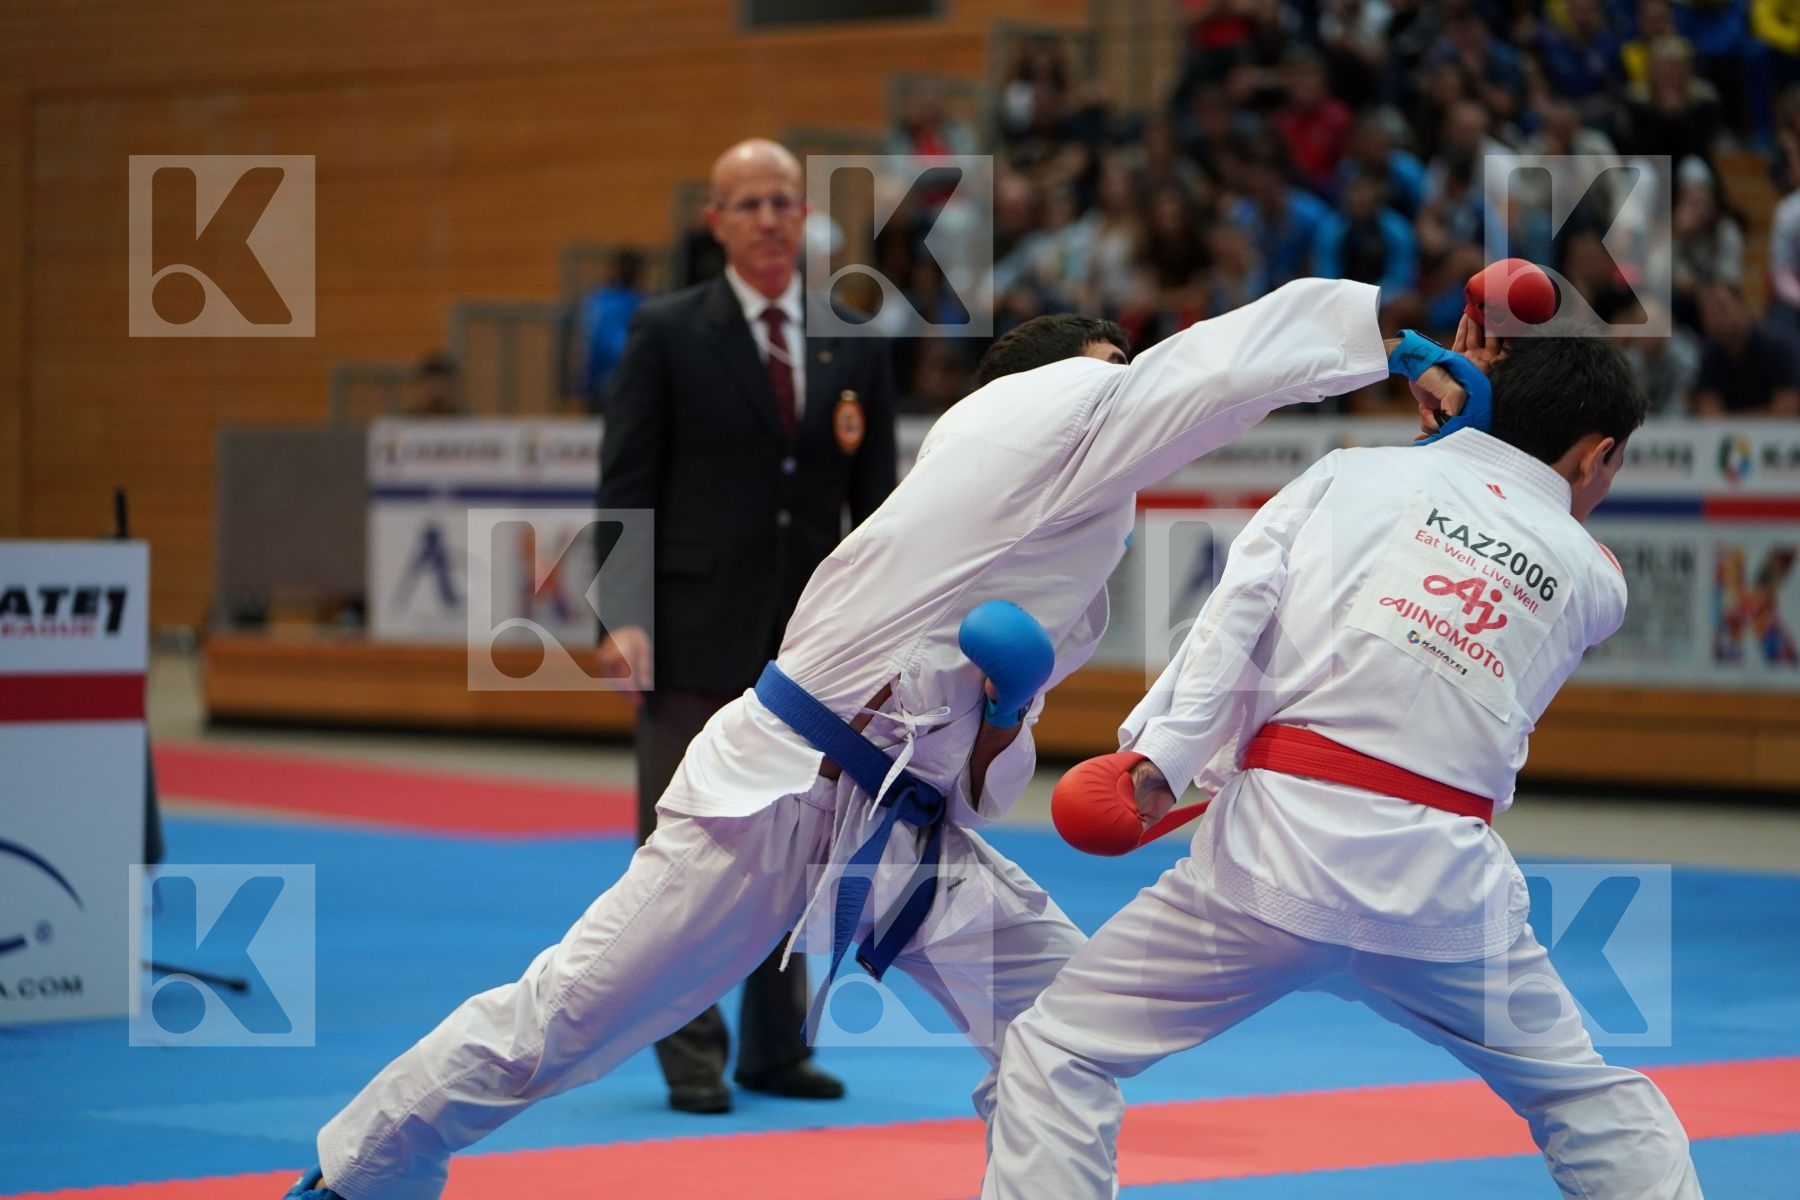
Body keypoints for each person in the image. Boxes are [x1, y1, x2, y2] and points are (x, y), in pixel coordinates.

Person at [286, 275, 1435, 1200]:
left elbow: (983, 791)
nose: (1123, 401)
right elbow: (1205, 375)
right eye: (1110, 382)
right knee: (565, 1022)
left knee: (1064, 1025)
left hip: (903, 834)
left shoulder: (1068, 562)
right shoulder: (1029, 416)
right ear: (1045, 389)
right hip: (779, 793)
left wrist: (996, 720)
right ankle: (356, 1174)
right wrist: (1395, 342)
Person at [981, 333, 1706, 1199]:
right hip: (1444, 897)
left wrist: (1164, 761)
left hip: (1272, 868)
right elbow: (1508, 515)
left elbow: (1233, 617)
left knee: (1057, 1048)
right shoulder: (1597, 581)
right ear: (1601, 453)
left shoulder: (1352, 476)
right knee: (1587, 1100)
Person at [590, 138, 897, 1114]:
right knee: (684, 848)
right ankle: (687, 1058)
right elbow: (626, 483)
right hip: (687, 631)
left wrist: (891, 632)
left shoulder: (852, 338)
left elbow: (880, 509)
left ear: (805, 216)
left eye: (782, 202)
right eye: (747, 204)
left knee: (801, 846)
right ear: (714, 221)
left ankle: (775, 1049)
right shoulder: (668, 330)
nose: (768, 219)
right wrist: (624, 616)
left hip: (812, 646)